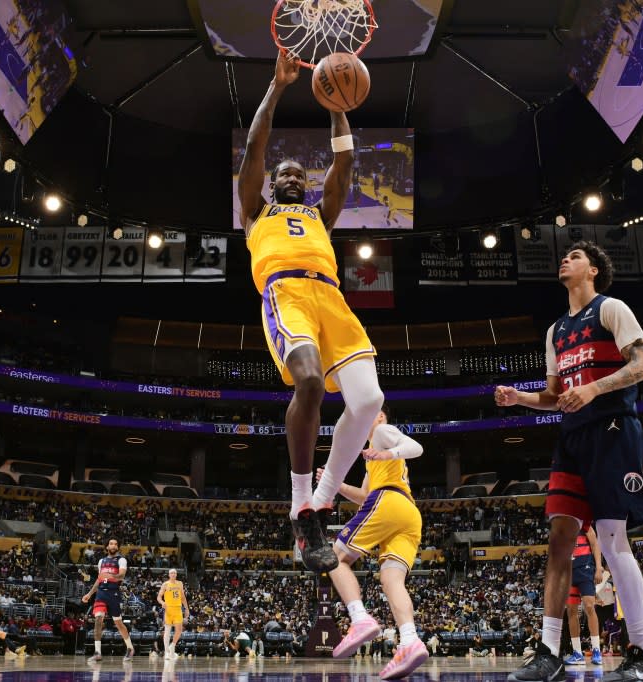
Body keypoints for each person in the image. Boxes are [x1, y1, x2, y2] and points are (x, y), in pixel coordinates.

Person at [240, 50, 384, 573]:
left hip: (332, 298)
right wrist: (277, 89)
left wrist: (334, 104)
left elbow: (345, 165)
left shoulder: (321, 213)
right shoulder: (255, 211)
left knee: (369, 401)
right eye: (285, 173)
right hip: (287, 294)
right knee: (308, 383)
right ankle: (300, 499)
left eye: (300, 172)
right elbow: (256, 146)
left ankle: (319, 502)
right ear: (272, 183)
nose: (293, 176)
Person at [496, 241, 643, 682]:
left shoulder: (612, 309)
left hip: (613, 429)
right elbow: (554, 397)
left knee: (612, 539)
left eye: (575, 256)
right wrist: (520, 399)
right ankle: (549, 651)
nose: (565, 259)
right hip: (572, 438)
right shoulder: (556, 331)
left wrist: (592, 389)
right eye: (565, 256)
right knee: (558, 538)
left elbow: (642, 366)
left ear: (592, 270)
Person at [317, 407, 429, 680]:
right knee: (391, 580)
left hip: (388, 502)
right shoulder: (372, 452)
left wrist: (387, 453)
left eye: (373, 411)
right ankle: (409, 640)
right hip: (408, 514)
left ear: (381, 416)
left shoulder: (382, 432)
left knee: (334, 558)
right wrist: (339, 486)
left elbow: (416, 447)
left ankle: (358, 617)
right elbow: (365, 494)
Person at [81, 538, 134, 661]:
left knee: (118, 623)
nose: (113, 545)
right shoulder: (101, 561)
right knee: (98, 619)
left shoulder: (121, 560)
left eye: (116, 544)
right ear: (107, 547)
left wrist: (110, 575)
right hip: (101, 594)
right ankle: (97, 652)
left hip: (113, 593)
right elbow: (99, 579)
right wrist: (89, 594)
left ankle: (130, 648)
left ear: (118, 547)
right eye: (111, 544)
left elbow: (121, 575)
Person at [563, 525, 604, 666]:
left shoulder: (584, 524)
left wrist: (598, 567)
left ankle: (596, 650)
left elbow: (595, 544)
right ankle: (577, 653)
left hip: (585, 570)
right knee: (571, 611)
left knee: (589, 606)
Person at [157, 568, 190, 660]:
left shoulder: (180, 583)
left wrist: (187, 609)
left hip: (178, 609)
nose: (173, 574)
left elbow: (183, 597)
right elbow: (159, 597)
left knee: (179, 630)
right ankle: (167, 652)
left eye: (174, 573)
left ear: (176, 574)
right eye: (171, 573)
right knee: (167, 631)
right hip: (168, 609)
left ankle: (172, 646)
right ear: (169, 575)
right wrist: (162, 602)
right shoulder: (165, 584)